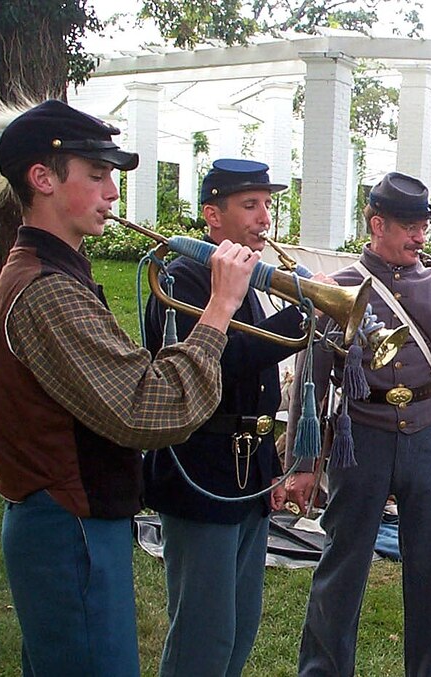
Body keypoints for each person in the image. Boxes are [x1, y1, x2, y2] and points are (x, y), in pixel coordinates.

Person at [0, 99, 258, 676]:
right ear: (42, 179)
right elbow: (148, 408)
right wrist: (221, 305)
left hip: (70, 521)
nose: (113, 194)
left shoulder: (53, 273)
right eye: (96, 176)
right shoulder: (47, 289)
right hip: (69, 527)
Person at [284, 171, 431, 676]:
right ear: (376, 223)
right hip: (360, 436)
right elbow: (312, 380)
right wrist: (302, 464)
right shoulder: (340, 288)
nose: (420, 236)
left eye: (424, 225)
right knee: (343, 566)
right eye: (409, 225)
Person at [142, 159, 319, 676]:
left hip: (246, 471)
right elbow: (216, 367)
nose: (265, 217)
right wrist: (302, 314)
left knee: (240, 626)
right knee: (204, 633)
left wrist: (268, 472)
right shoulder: (183, 279)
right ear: (211, 215)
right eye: (250, 205)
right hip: (202, 472)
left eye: (267, 204)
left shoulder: (241, 276)